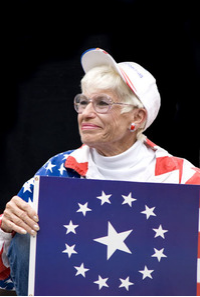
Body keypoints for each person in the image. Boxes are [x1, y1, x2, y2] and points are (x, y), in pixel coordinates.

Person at [0, 48, 199, 295]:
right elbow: (10, 277)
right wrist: (6, 230)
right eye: (83, 102)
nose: (86, 112)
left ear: (136, 116)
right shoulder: (56, 171)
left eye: (102, 103)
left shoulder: (184, 180)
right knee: (24, 235)